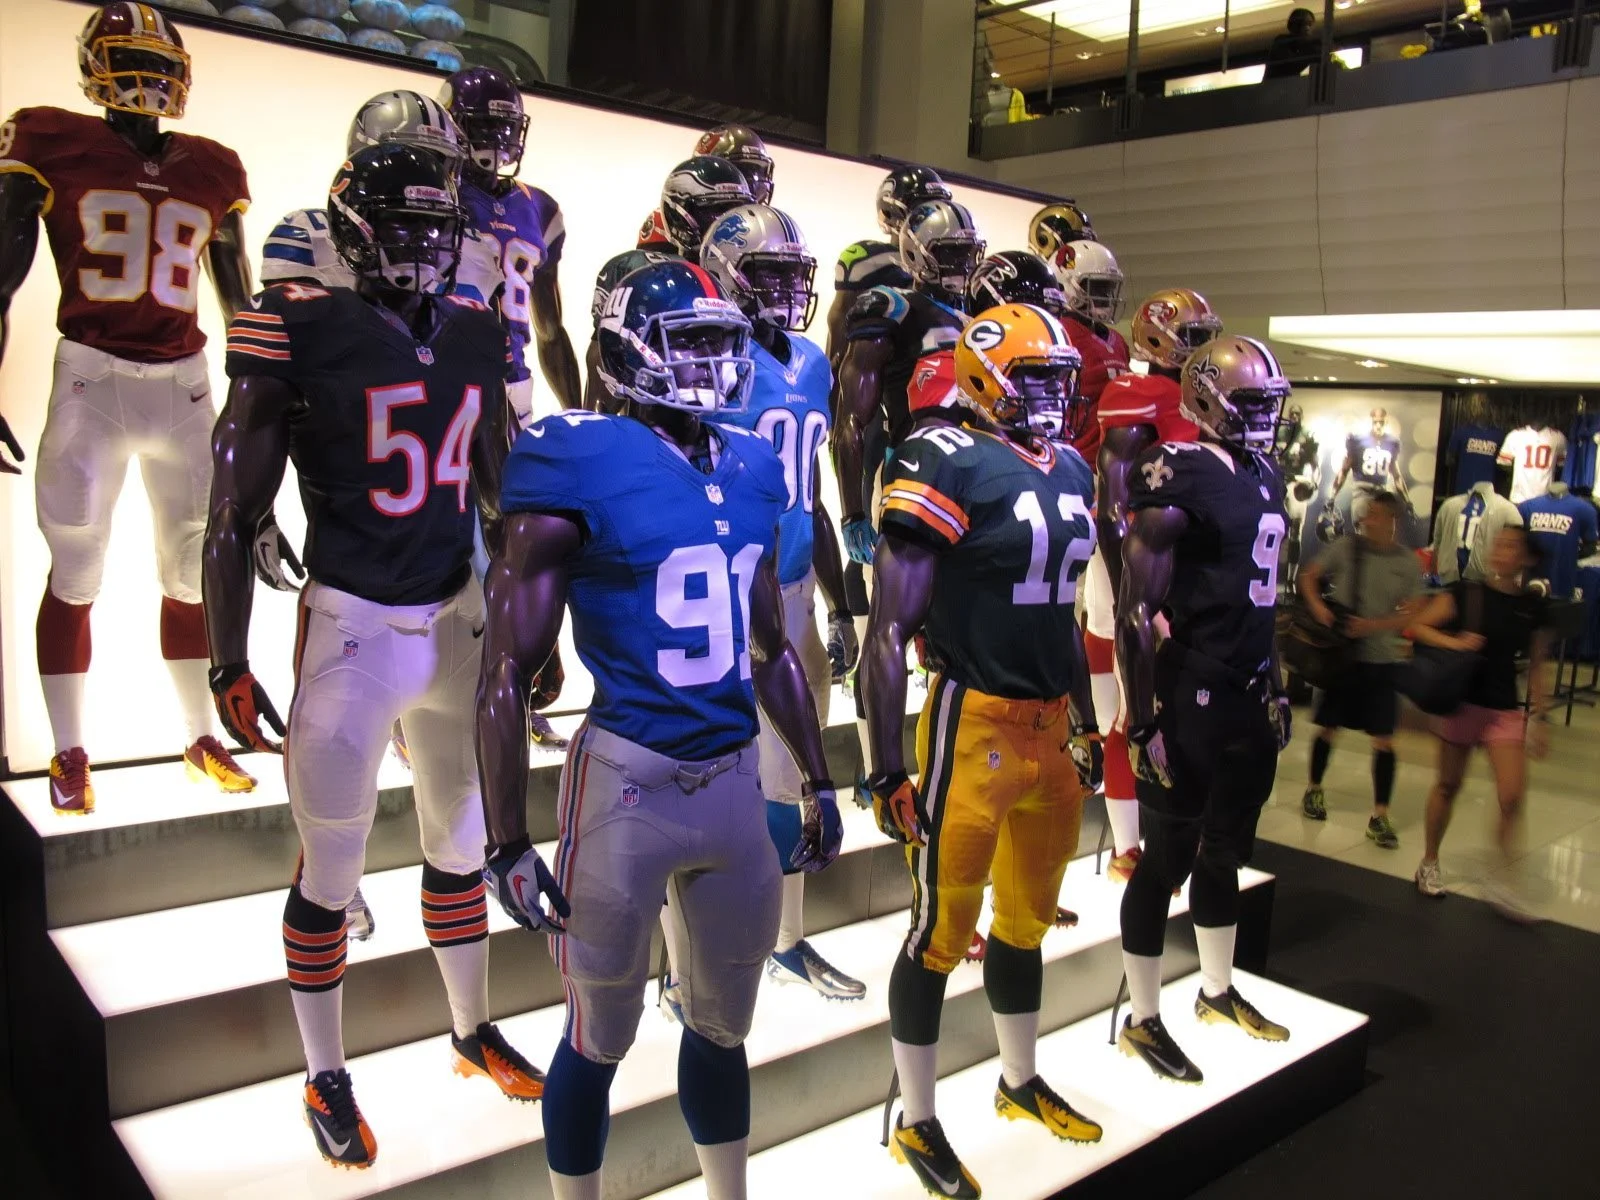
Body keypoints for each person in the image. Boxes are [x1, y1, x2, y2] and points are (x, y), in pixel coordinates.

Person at [205, 144, 543, 1170]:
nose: (421, 253)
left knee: (458, 844)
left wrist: (530, 622)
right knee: (335, 864)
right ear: (351, 232)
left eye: (435, 233)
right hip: (353, 622)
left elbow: (502, 494)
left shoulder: (478, 335)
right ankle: (324, 1068)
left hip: (456, 617)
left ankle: (468, 1029)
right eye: (399, 232)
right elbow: (233, 510)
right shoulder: (298, 327)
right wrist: (227, 656)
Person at [477, 260, 841, 1200]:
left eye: (724, 339)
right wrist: (505, 837)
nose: (716, 361)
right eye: (692, 340)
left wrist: (818, 775)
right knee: (600, 1034)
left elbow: (770, 648)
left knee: (724, 1026)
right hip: (625, 782)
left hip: (729, 781)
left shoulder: (756, 464)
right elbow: (508, 666)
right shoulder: (576, 455)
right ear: (623, 349)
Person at [862, 304, 1103, 1198]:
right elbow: (888, 631)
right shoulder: (941, 458)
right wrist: (887, 764)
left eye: (1058, 379)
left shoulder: (1072, 464)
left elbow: (1068, 613)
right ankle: (916, 1122)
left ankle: (1017, 1079)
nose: (1051, 396)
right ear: (983, 378)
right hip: (976, 726)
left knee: (1026, 922)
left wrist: (1082, 720)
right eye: (1034, 379)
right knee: (938, 934)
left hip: (1046, 726)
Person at [0, 2, 258, 812]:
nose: (146, 78)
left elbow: (238, 307)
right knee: (76, 571)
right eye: (128, 60)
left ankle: (197, 738)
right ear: (95, 66)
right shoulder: (50, 140)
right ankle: (69, 751)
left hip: (184, 384)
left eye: (157, 62)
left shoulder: (215, 166)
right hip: (92, 376)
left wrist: (261, 410)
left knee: (189, 574)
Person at [1115, 335, 1295, 1085]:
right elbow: (1133, 610)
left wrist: (1279, 679)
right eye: (1250, 403)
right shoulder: (1176, 472)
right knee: (1165, 861)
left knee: (1227, 851)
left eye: (1268, 405)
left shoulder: (1266, 474)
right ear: (1209, 398)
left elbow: (1267, 597)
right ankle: (1143, 1017)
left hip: (1248, 689)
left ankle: (1216, 991)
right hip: (1191, 692)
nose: (1263, 419)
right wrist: (1142, 719)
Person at [699, 203, 863, 1000]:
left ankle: (784, 941)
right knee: (733, 774)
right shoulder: (708, 356)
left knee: (798, 770)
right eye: (767, 275)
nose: (785, 292)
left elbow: (815, 493)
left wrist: (841, 600)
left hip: (794, 580)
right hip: (730, 590)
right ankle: (708, 957)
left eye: (793, 276)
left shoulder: (808, 360)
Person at [1093, 288, 1221, 881]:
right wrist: (1135, 594)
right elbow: (1113, 506)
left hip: (1188, 572)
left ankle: (1176, 829)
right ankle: (1126, 845)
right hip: (1142, 569)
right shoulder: (1135, 394)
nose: (1201, 350)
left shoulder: (1195, 400)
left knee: (1184, 709)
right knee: (1132, 710)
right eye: (1190, 337)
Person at [1411, 526, 1552, 918]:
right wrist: (1455, 643)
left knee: (1511, 796)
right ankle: (1429, 861)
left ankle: (1502, 880)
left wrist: (1539, 717)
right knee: (1448, 785)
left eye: (1512, 546)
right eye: (1499, 544)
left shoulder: (1531, 605)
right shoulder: (1468, 593)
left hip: (1505, 709)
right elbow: (1419, 626)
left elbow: (1538, 665)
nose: (1503, 551)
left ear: (1525, 557)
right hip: (1463, 703)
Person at [441, 66, 582, 421]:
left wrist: (576, 414)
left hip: (515, 381)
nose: (499, 137)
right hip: (446, 374)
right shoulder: (440, 196)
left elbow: (549, 330)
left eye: (507, 126)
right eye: (484, 125)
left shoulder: (539, 208)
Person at [1298, 491, 1425, 847]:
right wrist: (1320, 611)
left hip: (1382, 660)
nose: (1370, 520)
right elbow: (1310, 576)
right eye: (1369, 513)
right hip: (1344, 657)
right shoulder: (1346, 548)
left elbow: (1414, 609)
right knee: (1328, 727)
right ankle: (1314, 789)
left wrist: (1375, 625)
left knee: (1383, 739)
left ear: (1393, 521)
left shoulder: (1407, 562)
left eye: (1378, 515)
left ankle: (1380, 814)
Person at [583, 155, 753, 411]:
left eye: (735, 213)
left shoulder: (742, 277)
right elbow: (605, 374)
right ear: (680, 211)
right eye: (716, 210)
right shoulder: (640, 270)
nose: (726, 223)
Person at [1263, 9, 1322, 79]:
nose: (1307, 28)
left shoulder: (1305, 48)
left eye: (1309, 24)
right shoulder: (1281, 42)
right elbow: (1291, 65)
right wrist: (1313, 51)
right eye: (1303, 24)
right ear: (1294, 26)